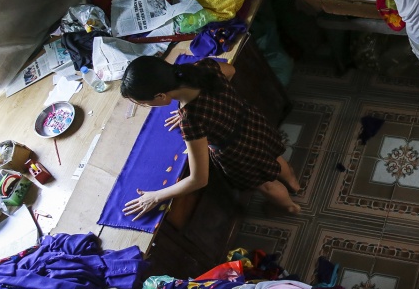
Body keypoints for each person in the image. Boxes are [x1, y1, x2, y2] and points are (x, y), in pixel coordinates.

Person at [119, 56, 301, 219]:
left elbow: (198, 179)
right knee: (274, 157)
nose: (147, 106)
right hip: (253, 124)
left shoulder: (191, 120)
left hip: (238, 150)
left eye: (144, 104)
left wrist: (156, 196)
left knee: (266, 184)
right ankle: (294, 184)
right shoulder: (203, 67)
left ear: (160, 95)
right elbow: (231, 71)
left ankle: (289, 208)